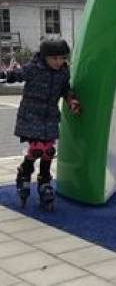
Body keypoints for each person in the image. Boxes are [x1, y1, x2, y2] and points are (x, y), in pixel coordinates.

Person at [0, 39, 81, 211]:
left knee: (49, 151)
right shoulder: (34, 68)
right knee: (38, 148)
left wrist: (71, 100)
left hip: (50, 115)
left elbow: (65, 89)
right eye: (55, 59)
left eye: (62, 58)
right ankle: (26, 172)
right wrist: (6, 75)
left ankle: (43, 180)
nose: (59, 62)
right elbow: (17, 74)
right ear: (45, 57)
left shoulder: (63, 72)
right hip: (31, 114)